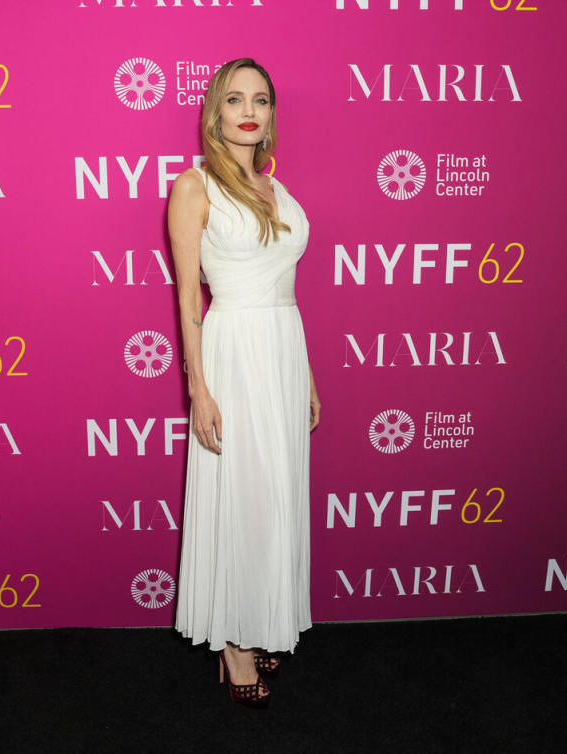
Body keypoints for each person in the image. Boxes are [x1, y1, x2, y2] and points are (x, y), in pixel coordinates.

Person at [168, 57, 320, 708]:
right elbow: (187, 299)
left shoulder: (276, 190)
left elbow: (288, 290)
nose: (248, 110)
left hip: (282, 353)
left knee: (273, 494)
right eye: (234, 99)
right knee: (237, 493)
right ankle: (232, 649)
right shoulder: (193, 187)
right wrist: (197, 388)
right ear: (214, 112)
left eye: (260, 99)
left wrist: (307, 378)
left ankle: (259, 624)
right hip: (232, 354)